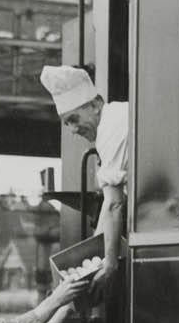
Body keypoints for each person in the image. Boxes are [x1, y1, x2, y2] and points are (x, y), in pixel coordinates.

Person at [39, 65, 128, 290]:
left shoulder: (113, 125)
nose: (73, 129)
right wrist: (93, 259)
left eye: (74, 118)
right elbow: (110, 207)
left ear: (95, 105)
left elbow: (115, 203)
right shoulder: (111, 124)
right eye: (67, 122)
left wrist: (108, 264)